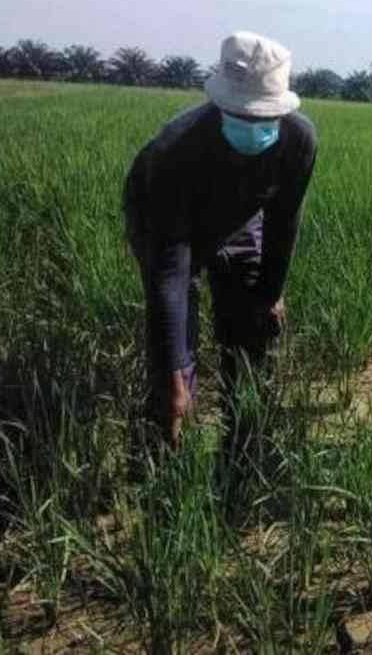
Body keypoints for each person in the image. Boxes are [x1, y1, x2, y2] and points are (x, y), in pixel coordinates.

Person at [123, 31, 318, 451]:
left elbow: (284, 220)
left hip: (241, 214)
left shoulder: (299, 141)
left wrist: (271, 292)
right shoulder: (175, 150)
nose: (251, 125)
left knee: (251, 323)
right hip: (164, 217)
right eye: (240, 115)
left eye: (262, 118)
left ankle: (243, 444)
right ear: (220, 104)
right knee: (179, 332)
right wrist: (172, 373)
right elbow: (170, 274)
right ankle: (165, 439)